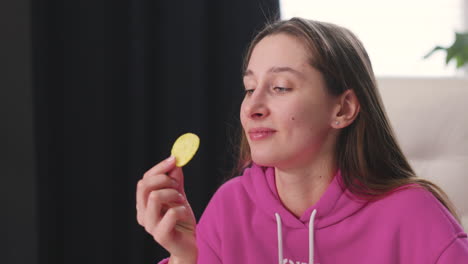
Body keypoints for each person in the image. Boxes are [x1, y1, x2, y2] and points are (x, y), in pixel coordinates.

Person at [136, 18, 468, 264]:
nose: (252, 106)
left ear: (343, 108)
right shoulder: (231, 207)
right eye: (250, 88)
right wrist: (184, 255)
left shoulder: (414, 215)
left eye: (280, 87)